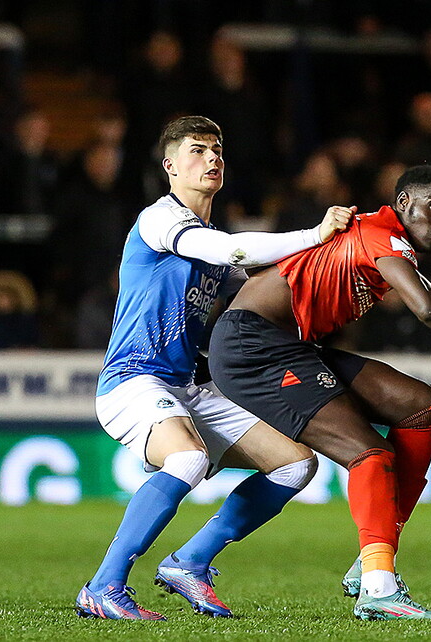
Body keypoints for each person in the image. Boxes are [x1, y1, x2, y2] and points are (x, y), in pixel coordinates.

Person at [205, 165, 431, 621]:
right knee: (370, 454)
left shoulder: (381, 241)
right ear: (402, 204)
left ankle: (374, 553)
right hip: (254, 347)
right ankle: (378, 586)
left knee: (423, 406)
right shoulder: (381, 231)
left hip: (291, 346)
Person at [75, 115, 354, 621]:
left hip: (189, 387)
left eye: (217, 150)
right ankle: (104, 584)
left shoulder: (211, 246)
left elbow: (267, 279)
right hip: (132, 380)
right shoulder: (159, 220)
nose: (212, 158)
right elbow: (236, 250)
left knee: (296, 464)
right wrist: (316, 232)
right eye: (197, 150)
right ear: (170, 166)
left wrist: (345, 262)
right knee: (186, 460)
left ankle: (191, 561)